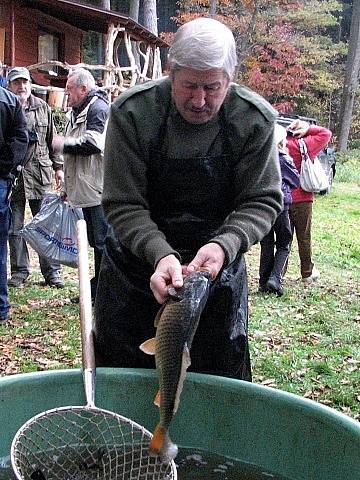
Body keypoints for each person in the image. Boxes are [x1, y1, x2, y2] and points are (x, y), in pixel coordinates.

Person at [93, 17, 283, 380]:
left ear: (230, 79)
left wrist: (224, 245)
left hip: (215, 271)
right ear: (170, 73)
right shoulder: (133, 113)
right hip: (135, 269)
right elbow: (123, 202)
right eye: (189, 86)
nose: (199, 101)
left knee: (215, 378)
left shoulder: (253, 121)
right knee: (126, 376)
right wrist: (158, 253)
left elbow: (261, 200)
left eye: (212, 87)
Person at [52, 68, 109, 301]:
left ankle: (104, 293)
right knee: (96, 243)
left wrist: (62, 143)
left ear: (83, 89)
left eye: (70, 89)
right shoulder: (76, 112)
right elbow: (72, 157)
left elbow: (93, 145)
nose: (66, 93)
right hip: (84, 188)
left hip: (98, 189)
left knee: (104, 245)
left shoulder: (98, 109)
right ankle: (97, 291)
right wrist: (67, 186)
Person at [7, 67, 64, 288]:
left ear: (30, 84)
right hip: (16, 176)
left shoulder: (42, 107)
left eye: (24, 82)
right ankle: (20, 271)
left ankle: (52, 273)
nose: (21, 87)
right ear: (9, 86)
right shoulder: (6, 108)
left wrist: (58, 167)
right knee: (15, 227)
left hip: (40, 174)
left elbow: (52, 139)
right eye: (16, 83)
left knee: (45, 226)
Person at [286, 119, 332, 282]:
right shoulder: (305, 144)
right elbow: (326, 133)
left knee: (284, 239)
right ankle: (306, 272)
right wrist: (308, 130)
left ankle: (277, 274)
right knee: (304, 236)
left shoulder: (281, 144)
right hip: (303, 198)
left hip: (282, 198)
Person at [259, 124, 300, 296]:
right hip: (281, 205)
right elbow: (295, 180)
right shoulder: (283, 159)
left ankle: (263, 282)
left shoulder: (260, 157)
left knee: (266, 243)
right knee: (284, 243)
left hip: (263, 206)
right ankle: (275, 278)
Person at [0, 85, 28, 321]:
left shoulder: (9, 102)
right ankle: (0, 307)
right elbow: (21, 139)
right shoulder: (10, 101)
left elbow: (21, 139)